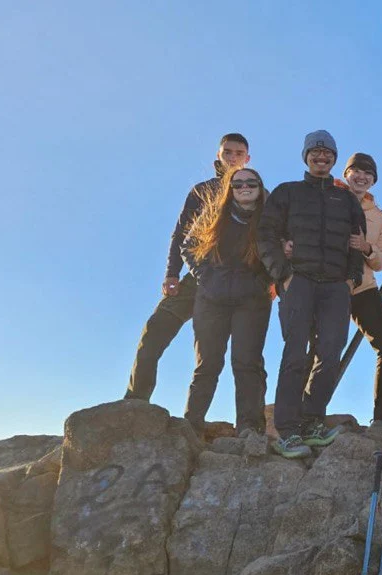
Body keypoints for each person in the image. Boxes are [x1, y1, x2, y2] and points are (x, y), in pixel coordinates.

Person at [257, 130, 366, 459]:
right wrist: (283, 273)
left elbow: (357, 241)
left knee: (331, 352)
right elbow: (265, 234)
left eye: (328, 153)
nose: (322, 157)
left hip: (335, 286)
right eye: (315, 152)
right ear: (306, 156)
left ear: (334, 158)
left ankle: (313, 421)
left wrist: (351, 279)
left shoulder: (346, 199)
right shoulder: (287, 193)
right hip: (298, 280)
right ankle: (287, 431)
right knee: (295, 354)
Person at [125, 133, 250, 402]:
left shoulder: (256, 193)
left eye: (238, 153)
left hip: (230, 284)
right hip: (196, 279)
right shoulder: (202, 191)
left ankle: (193, 423)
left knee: (208, 357)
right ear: (219, 155)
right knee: (152, 335)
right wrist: (172, 273)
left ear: (247, 159)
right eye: (227, 152)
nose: (232, 157)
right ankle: (134, 404)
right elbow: (181, 233)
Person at [180, 167, 271, 435]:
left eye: (251, 182)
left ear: (260, 186)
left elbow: (280, 252)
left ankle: (249, 426)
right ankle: (192, 424)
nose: (244, 186)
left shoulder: (270, 219)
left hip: (252, 301)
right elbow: (188, 246)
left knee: (247, 362)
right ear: (230, 189)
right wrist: (205, 277)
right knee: (207, 363)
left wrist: (261, 282)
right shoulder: (214, 214)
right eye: (238, 183)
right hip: (212, 299)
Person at [341, 152, 382, 425]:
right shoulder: (328, 198)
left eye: (368, 174)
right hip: (329, 285)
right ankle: (304, 413)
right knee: (321, 349)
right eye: (357, 171)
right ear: (346, 174)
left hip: (363, 286)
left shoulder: (378, 215)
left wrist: (366, 246)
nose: (362, 177)